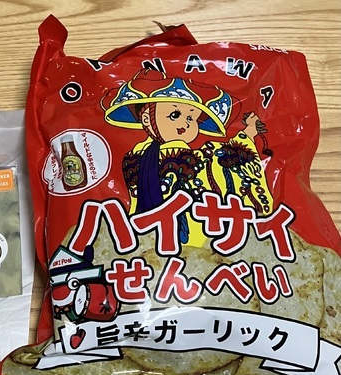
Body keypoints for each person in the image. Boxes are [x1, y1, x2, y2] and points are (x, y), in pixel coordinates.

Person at [101, 69, 273, 246]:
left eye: (191, 118)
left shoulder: (195, 156)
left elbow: (225, 156)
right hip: (152, 235)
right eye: (175, 115)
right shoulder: (137, 156)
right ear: (146, 118)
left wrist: (248, 133)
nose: (185, 123)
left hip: (191, 235)